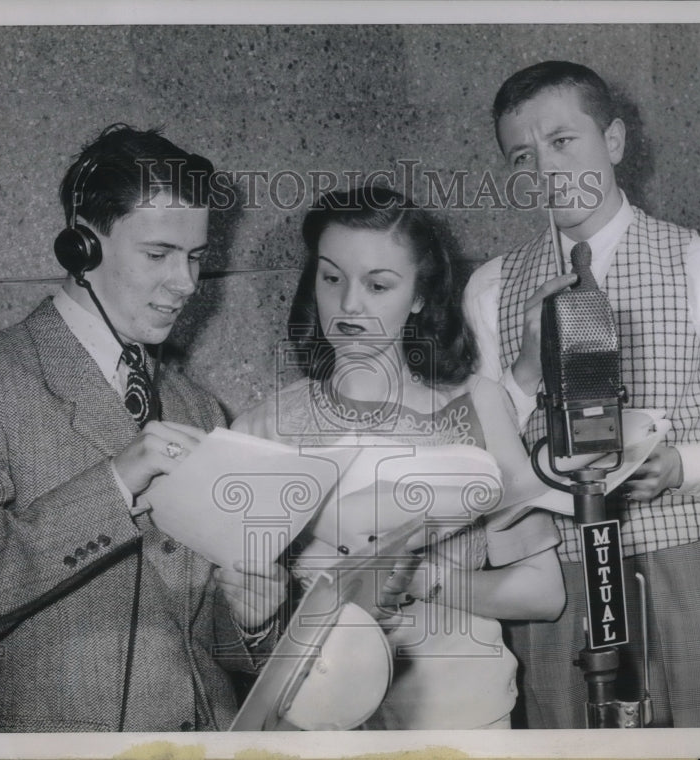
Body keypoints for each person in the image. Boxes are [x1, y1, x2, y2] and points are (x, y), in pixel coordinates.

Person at [0, 124, 286, 732]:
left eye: (196, 258)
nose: (185, 283)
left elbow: (209, 639)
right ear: (82, 247)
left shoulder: (198, 408)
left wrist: (250, 616)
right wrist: (114, 483)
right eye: (158, 254)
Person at [463, 60, 700, 727]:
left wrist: (684, 465)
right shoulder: (492, 288)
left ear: (614, 141)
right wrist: (526, 370)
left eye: (565, 142)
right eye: (523, 156)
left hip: (688, 560)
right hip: (554, 574)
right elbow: (482, 463)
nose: (548, 172)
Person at [233, 185, 566, 730]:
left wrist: (420, 578)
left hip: (463, 724)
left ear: (418, 296)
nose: (349, 306)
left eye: (378, 284)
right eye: (331, 278)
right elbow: (233, 632)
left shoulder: (476, 407)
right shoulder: (262, 429)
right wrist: (259, 612)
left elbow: (544, 593)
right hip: (320, 729)